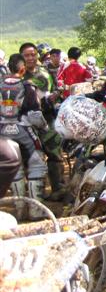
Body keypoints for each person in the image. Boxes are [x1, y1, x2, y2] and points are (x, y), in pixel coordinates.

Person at [1, 53, 48, 214]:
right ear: (22, 69)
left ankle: (19, 209)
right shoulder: (27, 86)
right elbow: (35, 114)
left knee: (15, 168)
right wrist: (44, 127)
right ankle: (36, 211)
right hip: (24, 130)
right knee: (36, 165)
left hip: (3, 133)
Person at [19, 42, 63, 199]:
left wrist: (56, 94)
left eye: (33, 54)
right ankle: (36, 192)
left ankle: (58, 189)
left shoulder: (45, 72)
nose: (30, 58)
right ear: (21, 57)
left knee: (55, 153)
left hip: (47, 119)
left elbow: (56, 89)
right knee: (29, 156)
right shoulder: (17, 75)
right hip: (25, 122)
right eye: (26, 55)